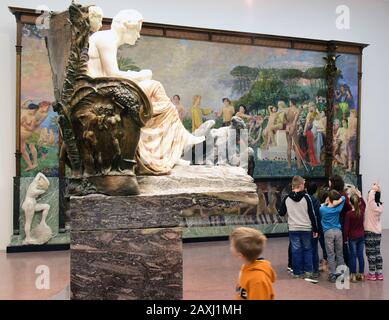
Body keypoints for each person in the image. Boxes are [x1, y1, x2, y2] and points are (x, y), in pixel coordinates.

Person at [87, 9, 205, 175]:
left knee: (158, 97)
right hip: (102, 92)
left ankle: (169, 150)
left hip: (103, 89)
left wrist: (138, 76)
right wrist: (139, 75)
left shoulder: (105, 38)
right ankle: (173, 147)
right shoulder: (106, 38)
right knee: (155, 88)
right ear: (127, 27)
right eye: (137, 30)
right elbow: (112, 75)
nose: (139, 36)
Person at [279, 176, 319, 283]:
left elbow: (281, 212)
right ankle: (308, 272)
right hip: (306, 228)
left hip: (293, 229)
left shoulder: (287, 198)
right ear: (300, 185)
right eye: (303, 184)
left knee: (295, 251)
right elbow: (312, 215)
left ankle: (297, 273)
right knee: (307, 250)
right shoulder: (307, 198)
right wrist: (316, 229)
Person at [230, 227, 276, 300]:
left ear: (240, 254)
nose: (230, 247)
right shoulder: (246, 267)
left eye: (232, 245)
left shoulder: (258, 280)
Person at [320, 190, 346, 283]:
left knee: (330, 254)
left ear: (329, 199)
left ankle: (333, 274)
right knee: (340, 253)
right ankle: (342, 275)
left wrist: (327, 203)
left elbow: (322, 206)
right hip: (338, 232)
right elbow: (344, 198)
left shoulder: (322, 209)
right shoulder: (339, 208)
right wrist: (337, 202)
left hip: (328, 232)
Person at [329, 175, 352, 268]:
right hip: (340, 220)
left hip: (340, 221)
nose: (328, 183)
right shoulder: (343, 194)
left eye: (330, 182)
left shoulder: (339, 195)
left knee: (341, 244)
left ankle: (345, 264)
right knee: (340, 244)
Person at [344, 191, 366, 282]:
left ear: (350, 203)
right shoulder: (361, 211)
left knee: (353, 256)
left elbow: (346, 228)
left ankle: (353, 275)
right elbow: (364, 205)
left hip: (352, 237)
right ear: (359, 202)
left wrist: (345, 238)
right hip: (361, 236)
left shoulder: (349, 214)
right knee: (360, 255)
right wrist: (360, 197)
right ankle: (361, 275)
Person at [364, 183, 384, 281]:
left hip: (370, 232)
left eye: (368, 195)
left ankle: (372, 274)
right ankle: (379, 273)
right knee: (377, 252)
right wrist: (378, 191)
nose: (367, 197)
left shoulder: (371, 206)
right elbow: (375, 197)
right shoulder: (379, 206)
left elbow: (372, 197)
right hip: (378, 233)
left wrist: (373, 188)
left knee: (370, 253)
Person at [306, 182, 323, 278]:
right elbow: (317, 216)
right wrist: (318, 230)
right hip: (314, 228)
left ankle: (307, 269)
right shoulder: (316, 201)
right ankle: (315, 270)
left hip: (305, 227)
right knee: (314, 249)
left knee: (306, 249)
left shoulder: (304, 199)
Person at [285, 99, 302, 169]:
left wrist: (287, 127)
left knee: (289, 146)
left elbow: (285, 120)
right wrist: (292, 128)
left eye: (289, 102)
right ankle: (299, 165)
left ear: (291, 102)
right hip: (293, 128)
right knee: (297, 147)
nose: (289, 103)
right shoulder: (297, 110)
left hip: (288, 128)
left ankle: (289, 166)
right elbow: (294, 121)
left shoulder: (287, 110)